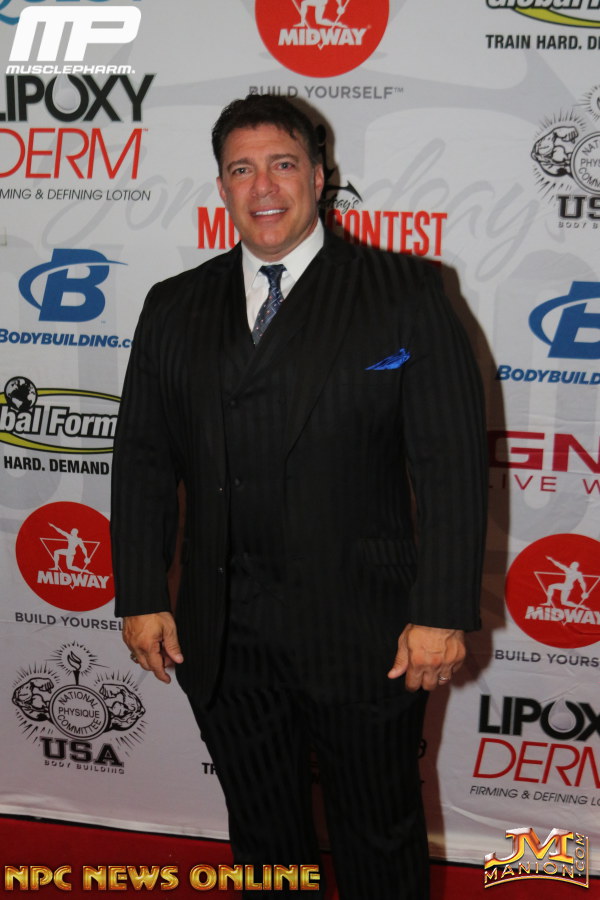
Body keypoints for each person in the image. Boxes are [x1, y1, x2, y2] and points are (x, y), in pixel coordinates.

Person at [111, 94, 487, 899]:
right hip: (226, 632)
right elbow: (142, 458)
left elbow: (450, 463)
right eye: (241, 169)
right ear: (222, 186)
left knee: (379, 832)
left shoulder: (405, 291)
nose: (264, 186)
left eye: (282, 164)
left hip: (367, 630)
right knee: (264, 837)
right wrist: (141, 592)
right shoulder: (173, 304)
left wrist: (442, 609)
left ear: (319, 177)